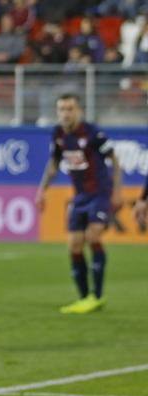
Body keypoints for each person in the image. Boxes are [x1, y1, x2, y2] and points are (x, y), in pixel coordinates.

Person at [35, 93, 122, 314]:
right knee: (74, 245)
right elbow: (53, 165)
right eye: (62, 109)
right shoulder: (58, 134)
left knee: (93, 236)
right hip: (80, 196)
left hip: (100, 193)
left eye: (70, 109)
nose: (65, 113)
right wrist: (41, 191)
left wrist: (118, 193)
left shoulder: (92, 133)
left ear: (79, 110)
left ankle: (97, 296)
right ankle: (84, 298)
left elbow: (115, 160)